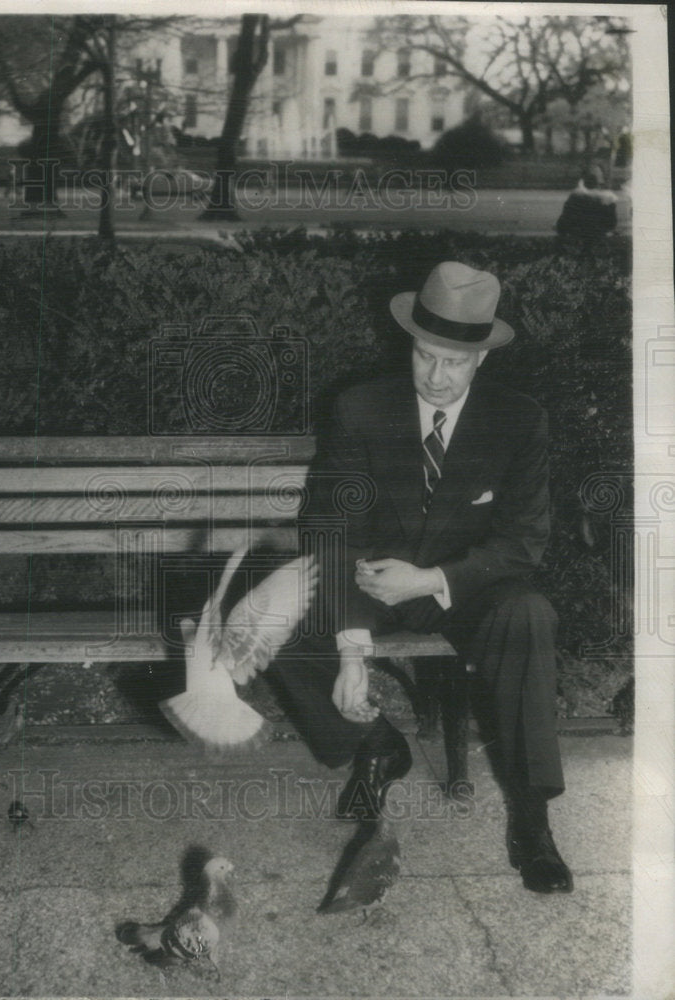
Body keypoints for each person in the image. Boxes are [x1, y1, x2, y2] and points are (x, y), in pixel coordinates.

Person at [271, 261, 573, 895]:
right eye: (425, 355)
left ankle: (532, 818)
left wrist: (432, 577)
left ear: (481, 360)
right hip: (368, 581)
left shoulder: (520, 420)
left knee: (529, 614)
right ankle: (377, 742)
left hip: (462, 590)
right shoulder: (359, 409)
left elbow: (525, 542)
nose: (436, 376)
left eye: (454, 362)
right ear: (411, 343)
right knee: (271, 611)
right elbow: (330, 528)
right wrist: (351, 648)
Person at [555, 164, 617, 239]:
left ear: (583, 182)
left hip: (578, 234)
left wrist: (561, 230)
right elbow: (611, 223)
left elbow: (565, 219)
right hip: (599, 234)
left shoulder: (576, 196)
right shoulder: (608, 198)